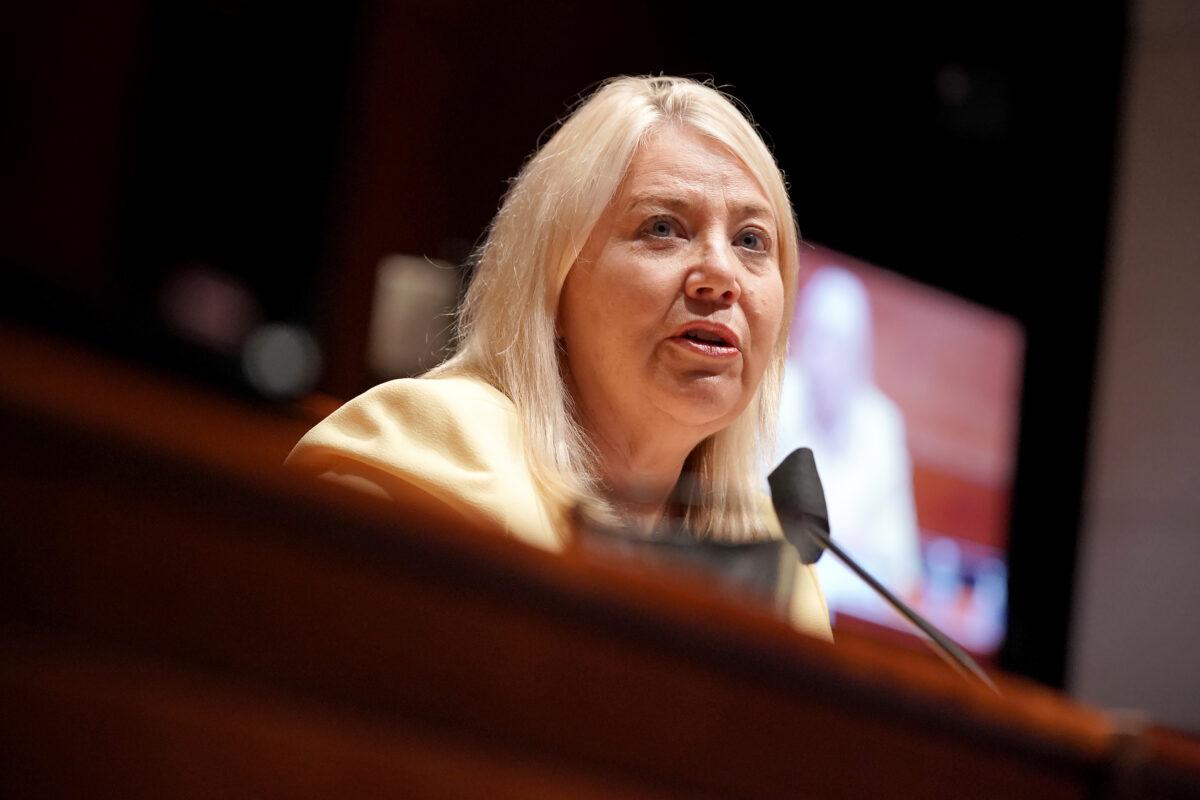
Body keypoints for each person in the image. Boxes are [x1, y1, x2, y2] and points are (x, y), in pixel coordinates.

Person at [288, 76, 832, 640]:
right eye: (663, 228)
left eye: (751, 241)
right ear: (555, 283)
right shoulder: (433, 455)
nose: (721, 277)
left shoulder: (777, 559)